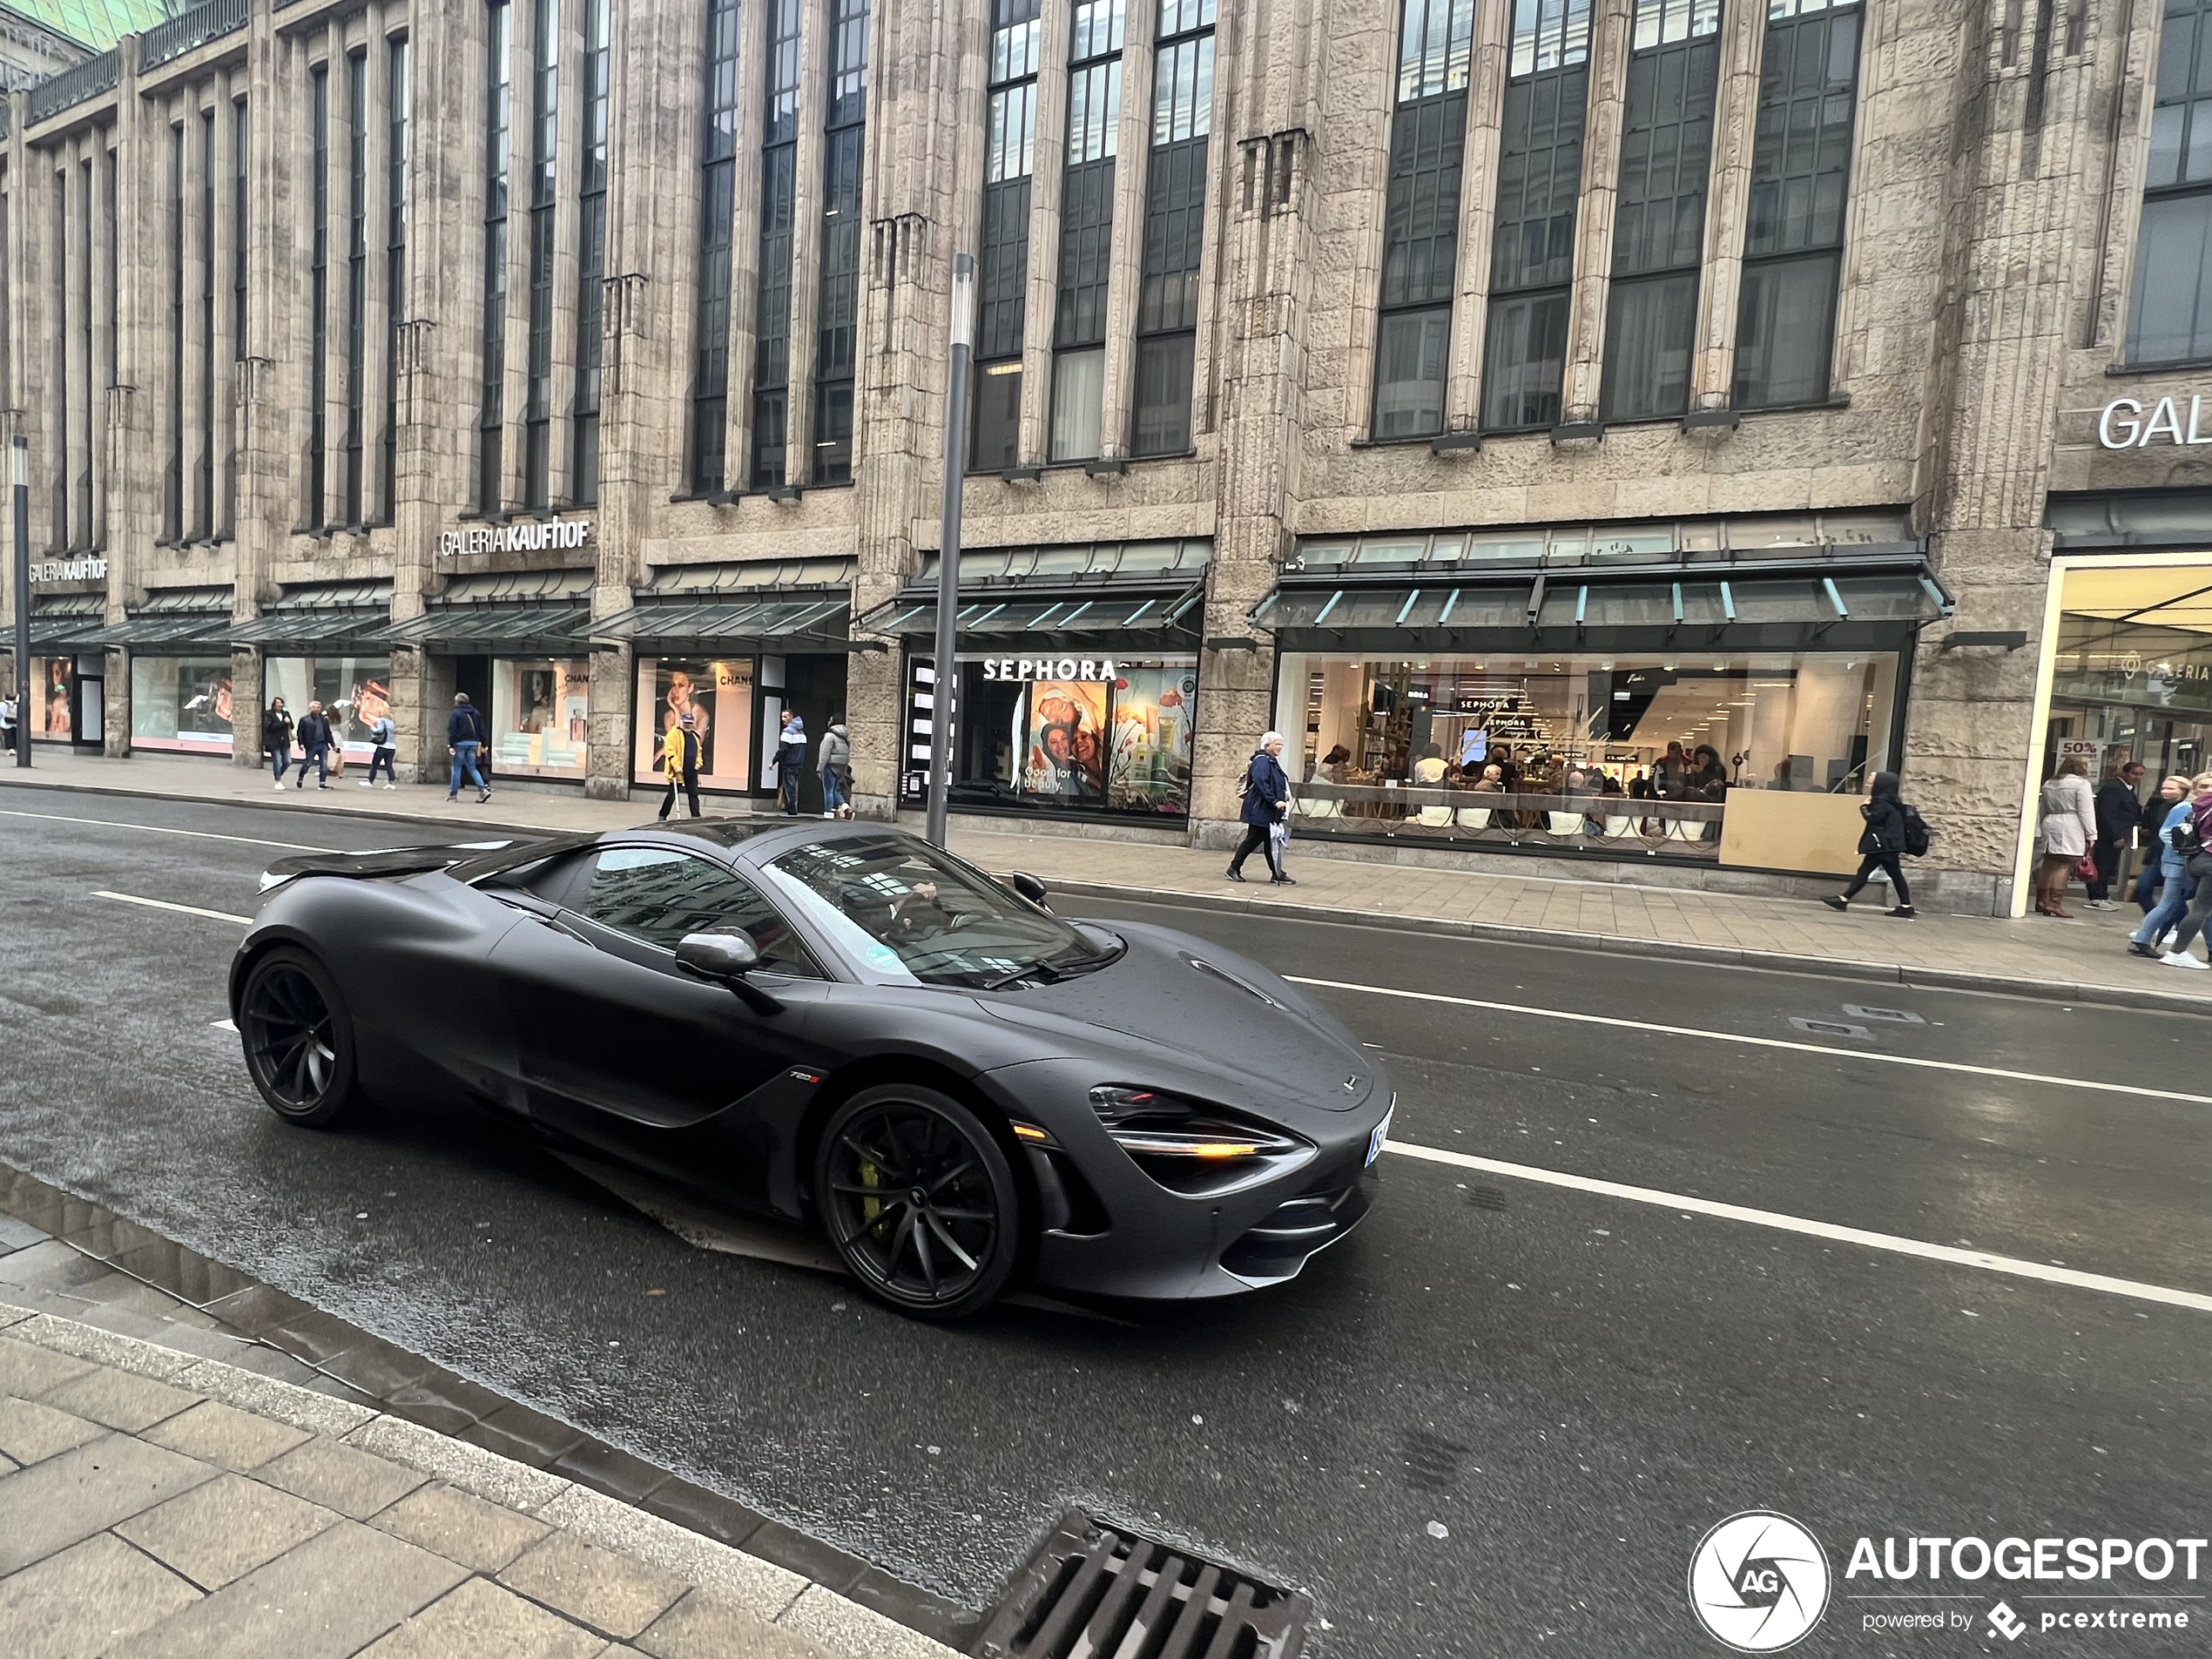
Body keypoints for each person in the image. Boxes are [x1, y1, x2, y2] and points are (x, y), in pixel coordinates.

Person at [1821, 771, 1920, 918]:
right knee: (1879, 873)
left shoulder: (1882, 802)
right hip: (1887, 845)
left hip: (1883, 846)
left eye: (1872, 779)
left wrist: (1864, 807)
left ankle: (1844, 899)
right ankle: (1844, 898)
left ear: (1880, 784)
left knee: (1878, 873)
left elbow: (1873, 819)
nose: (1868, 780)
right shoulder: (1890, 801)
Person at [2127, 776, 2202, 959]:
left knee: (2179, 904)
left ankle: (2144, 940)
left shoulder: (2194, 806)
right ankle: (2142, 940)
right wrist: (2185, 849)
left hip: (2179, 860)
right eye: (2204, 786)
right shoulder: (2185, 807)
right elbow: (2166, 832)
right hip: (2176, 861)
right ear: (2193, 788)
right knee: (2171, 904)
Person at [2155, 774, 2212, 970]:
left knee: (2200, 908)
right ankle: (2177, 952)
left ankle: (2177, 951)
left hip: (2197, 858)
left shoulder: (2200, 805)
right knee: (2200, 910)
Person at [1226, 731, 1295, 886]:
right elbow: (1261, 782)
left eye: (1281, 745)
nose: (1280, 748)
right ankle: (1234, 868)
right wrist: (1274, 801)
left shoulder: (1269, 760)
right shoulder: (1263, 761)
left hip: (1265, 809)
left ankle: (1276, 873)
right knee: (1254, 840)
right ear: (1267, 745)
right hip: (1261, 809)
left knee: (1269, 842)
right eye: (1278, 744)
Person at [2033, 756, 2096, 917]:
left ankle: (2041, 900)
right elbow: (2086, 811)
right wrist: (2091, 834)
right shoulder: (2081, 784)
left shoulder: (2049, 783)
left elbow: (2043, 809)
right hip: (2071, 824)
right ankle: (2054, 903)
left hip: (2050, 821)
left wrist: (2041, 827)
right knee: (2065, 864)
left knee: (2048, 863)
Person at [2087, 761, 2147, 907]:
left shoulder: (2127, 789)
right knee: (2102, 864)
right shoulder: (2113, 788)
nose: (2137, 777)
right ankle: (2097, 896)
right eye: (2134, 773)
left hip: (2121, 832)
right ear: (2125, 773)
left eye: (2140, 775)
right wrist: (2116, 836)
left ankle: (2103, 893)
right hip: (2109, 835)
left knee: (2109, 866)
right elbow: (2107, 814)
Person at [2134, 774, 2188, 914]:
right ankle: (2156, 921)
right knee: (2142, 889)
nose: (2165, 791)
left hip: (2178, 857)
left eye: (2171, 788)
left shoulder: (2187, 807)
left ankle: (2175, 926)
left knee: (2175, 897)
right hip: (2158, 854)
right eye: (2163, 788)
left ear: (2183, 790)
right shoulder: (2160, 806)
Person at [446, 692, 491, 803]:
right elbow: (482, 729)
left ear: (457, 702)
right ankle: (483, 790)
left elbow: (452, 730)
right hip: (473, 743)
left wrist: (451, 745)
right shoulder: (475, 713)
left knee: (457, 768)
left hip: (460, 743)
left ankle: (453, 794)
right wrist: (484, 744)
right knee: (472, 768)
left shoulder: (456, 713)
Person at [658, 710, 702, 820]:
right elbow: (670, 751)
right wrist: (677, 766)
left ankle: (696, 816)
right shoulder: (673, 734)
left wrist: (698, 764)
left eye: (690, 723)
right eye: (686, 723)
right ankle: (663, 815)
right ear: (681, 722)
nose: (688, 725)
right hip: (678, 771)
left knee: (694, 794)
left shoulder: (695, 736)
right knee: (672, 795)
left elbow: (699, 751)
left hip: (691, 770)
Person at [292, 701, 335, 791]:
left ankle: (322, 783)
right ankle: (301, 777)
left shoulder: (324, 720)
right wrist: (301, 743)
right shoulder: (305, 720)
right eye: (314, 707)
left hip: (323, 744)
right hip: (311, 745)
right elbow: (300, 733)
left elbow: (328, 732)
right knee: (308, 763)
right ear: (311, 708)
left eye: (318, 707)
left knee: (323, 764)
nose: (316, 709)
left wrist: (333, 744)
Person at [819, 718, 852, 818]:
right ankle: (846, 807)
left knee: (828, 791)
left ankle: (828, 813)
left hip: (830, 766)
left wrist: (820, 768)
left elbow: (824, 754)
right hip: (841, 766)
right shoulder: (845, 737)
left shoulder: (829, 736)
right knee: (835, 790)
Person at [776, 712, 807, 814]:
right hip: (799, 764)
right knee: (794, 787)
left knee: (790, 789)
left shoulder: (788, 732)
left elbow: (783, 749)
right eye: (782, 716)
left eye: (785, 716)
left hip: (789, 764)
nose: (783, 719)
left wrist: (774, 761)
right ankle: (794, 808)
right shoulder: (802, 733)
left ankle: (792, 810)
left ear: (791, 717)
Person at [361, 709, 397, 789]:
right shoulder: (392, 722)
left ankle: (370, 781)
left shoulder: (381, 720)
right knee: (389, 765)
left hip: (382, 746)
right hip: (392, 747)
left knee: (375, 764)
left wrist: (373, 728)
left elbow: (379, 730)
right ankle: (392, 782)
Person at [262, 698, 294, 787]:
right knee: (277, 760)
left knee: (288, 761)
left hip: (284, 740)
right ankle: (278, 780)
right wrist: (283, 723)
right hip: (273, 740)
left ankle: (278, 774)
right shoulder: (269, 714)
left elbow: (291, 726)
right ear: (274, 704)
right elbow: (269, 727)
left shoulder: (285, 713)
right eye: (278, 703)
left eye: (281, 703)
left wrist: (289, 721)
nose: (280, 705)